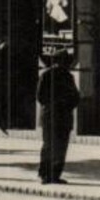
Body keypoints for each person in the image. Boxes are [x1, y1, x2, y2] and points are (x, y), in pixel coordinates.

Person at [37, 50, 79, 184]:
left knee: (50, 145)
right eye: (66, 61)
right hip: (61, 115)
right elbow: (76, 97)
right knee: (59, 146)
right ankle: (52, 174)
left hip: (52, 115)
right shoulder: (65, 76)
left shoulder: (48, 75)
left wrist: (53, 105)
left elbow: (40, 96)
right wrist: (64, 105)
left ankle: (47, 174)